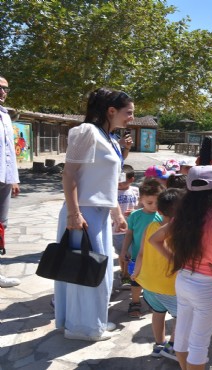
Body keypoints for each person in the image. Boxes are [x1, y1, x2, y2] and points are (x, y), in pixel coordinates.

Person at [55, 87, 133, 341]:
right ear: (111, 111)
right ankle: (84, 328)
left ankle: (90, 323)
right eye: (128, 112)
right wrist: (73, 213)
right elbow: (69, 174)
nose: (131, 117)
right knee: (85, 271)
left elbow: (105, 182)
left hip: (97, 213)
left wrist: (117, 214)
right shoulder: (87, 132)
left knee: (95, 271)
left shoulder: (109, 137)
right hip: (83, 212)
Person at [149, 165, 212, 370]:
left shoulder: (183, 217)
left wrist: (176, 261)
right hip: (207, 287)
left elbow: (155, 239)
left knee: (183, 339)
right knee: (199, 345)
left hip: (183, 281)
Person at [132, 188, 184, 361]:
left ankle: (159, 345)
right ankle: (173, 348)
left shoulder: (151, 226)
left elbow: (140, 253)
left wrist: (136, 273)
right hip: (169, 287)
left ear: (159, 211)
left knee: (158, 313)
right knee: (180, 317)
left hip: (148, 284)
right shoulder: (179, 232)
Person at [120, 178, 164, 318]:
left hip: (156, 257)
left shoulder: (162, 217)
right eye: (149, 203)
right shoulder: (135, 216)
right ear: (141, 200)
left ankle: (154, 302)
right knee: (136, 280)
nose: (153, 206)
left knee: (154, 280)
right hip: (136, 256)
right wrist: (123, 250)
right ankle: (135, 302)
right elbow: (129, 235)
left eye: (157, 202)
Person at [0, 75, 21, 288]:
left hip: (4, 179)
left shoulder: (6, 116)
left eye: (6, 89)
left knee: (1, 225)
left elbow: (9, 151)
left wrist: (13, 178)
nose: (2, 92)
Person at [114, 164, 140, 290]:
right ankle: (123, 273)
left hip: (133, 228)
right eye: (117, 181)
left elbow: (140, 205)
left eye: (122, 182)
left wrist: (135, 210)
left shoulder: (135, 190)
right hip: (117, 230)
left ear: (131, 180)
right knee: (122, 253)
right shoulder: (112, 192)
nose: (119, 184)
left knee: (130, 253)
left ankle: (127, 274)